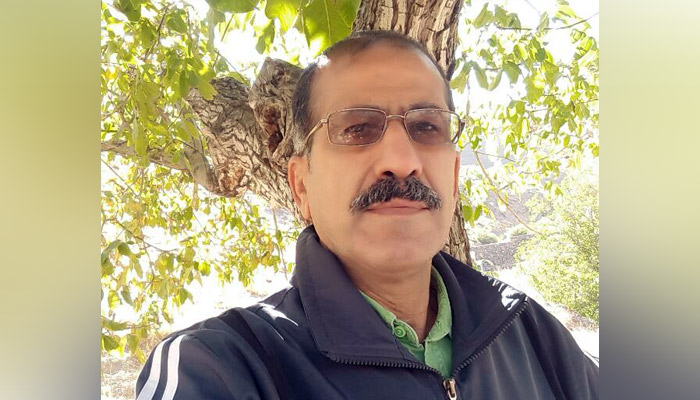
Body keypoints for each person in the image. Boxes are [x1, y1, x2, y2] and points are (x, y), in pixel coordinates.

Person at [136, 30, 599, 400]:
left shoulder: (530, 334)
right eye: (357, 128)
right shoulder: (222, 366)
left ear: (455, 176)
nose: (401, 160)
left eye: (427, 126)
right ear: (302, 186)